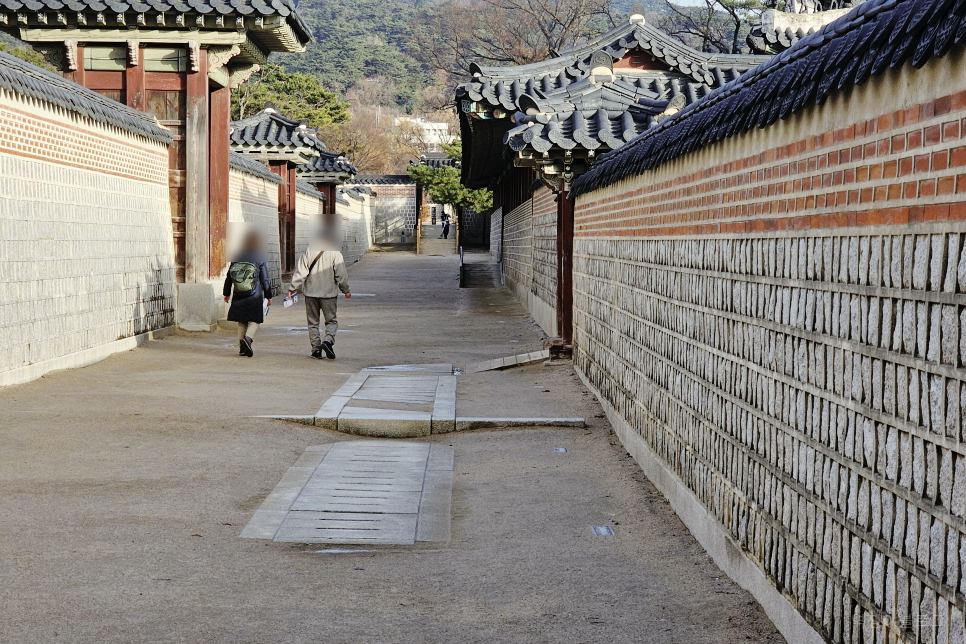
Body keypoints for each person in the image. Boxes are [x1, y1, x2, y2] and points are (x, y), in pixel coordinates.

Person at [289, 235, 351, 359]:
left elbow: (301, 271)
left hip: (311, 293)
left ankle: (316, 350)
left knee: (313, 322)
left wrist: (292, 288)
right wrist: (346, 290)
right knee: (331, 321)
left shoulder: (309, 250)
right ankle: (328, 341)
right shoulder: (335, 253)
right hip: (329, 294)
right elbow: (341, 275)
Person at [223, 229, 272, 357]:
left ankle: (241, 348)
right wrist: (268, 296)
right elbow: (264, 279)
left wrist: (226, 293)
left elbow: (229, 276)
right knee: (255, 320)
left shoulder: (237, 255)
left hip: (239, 292)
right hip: (254, 294)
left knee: (242, 320)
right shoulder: (259, 256)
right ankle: (248, 338)